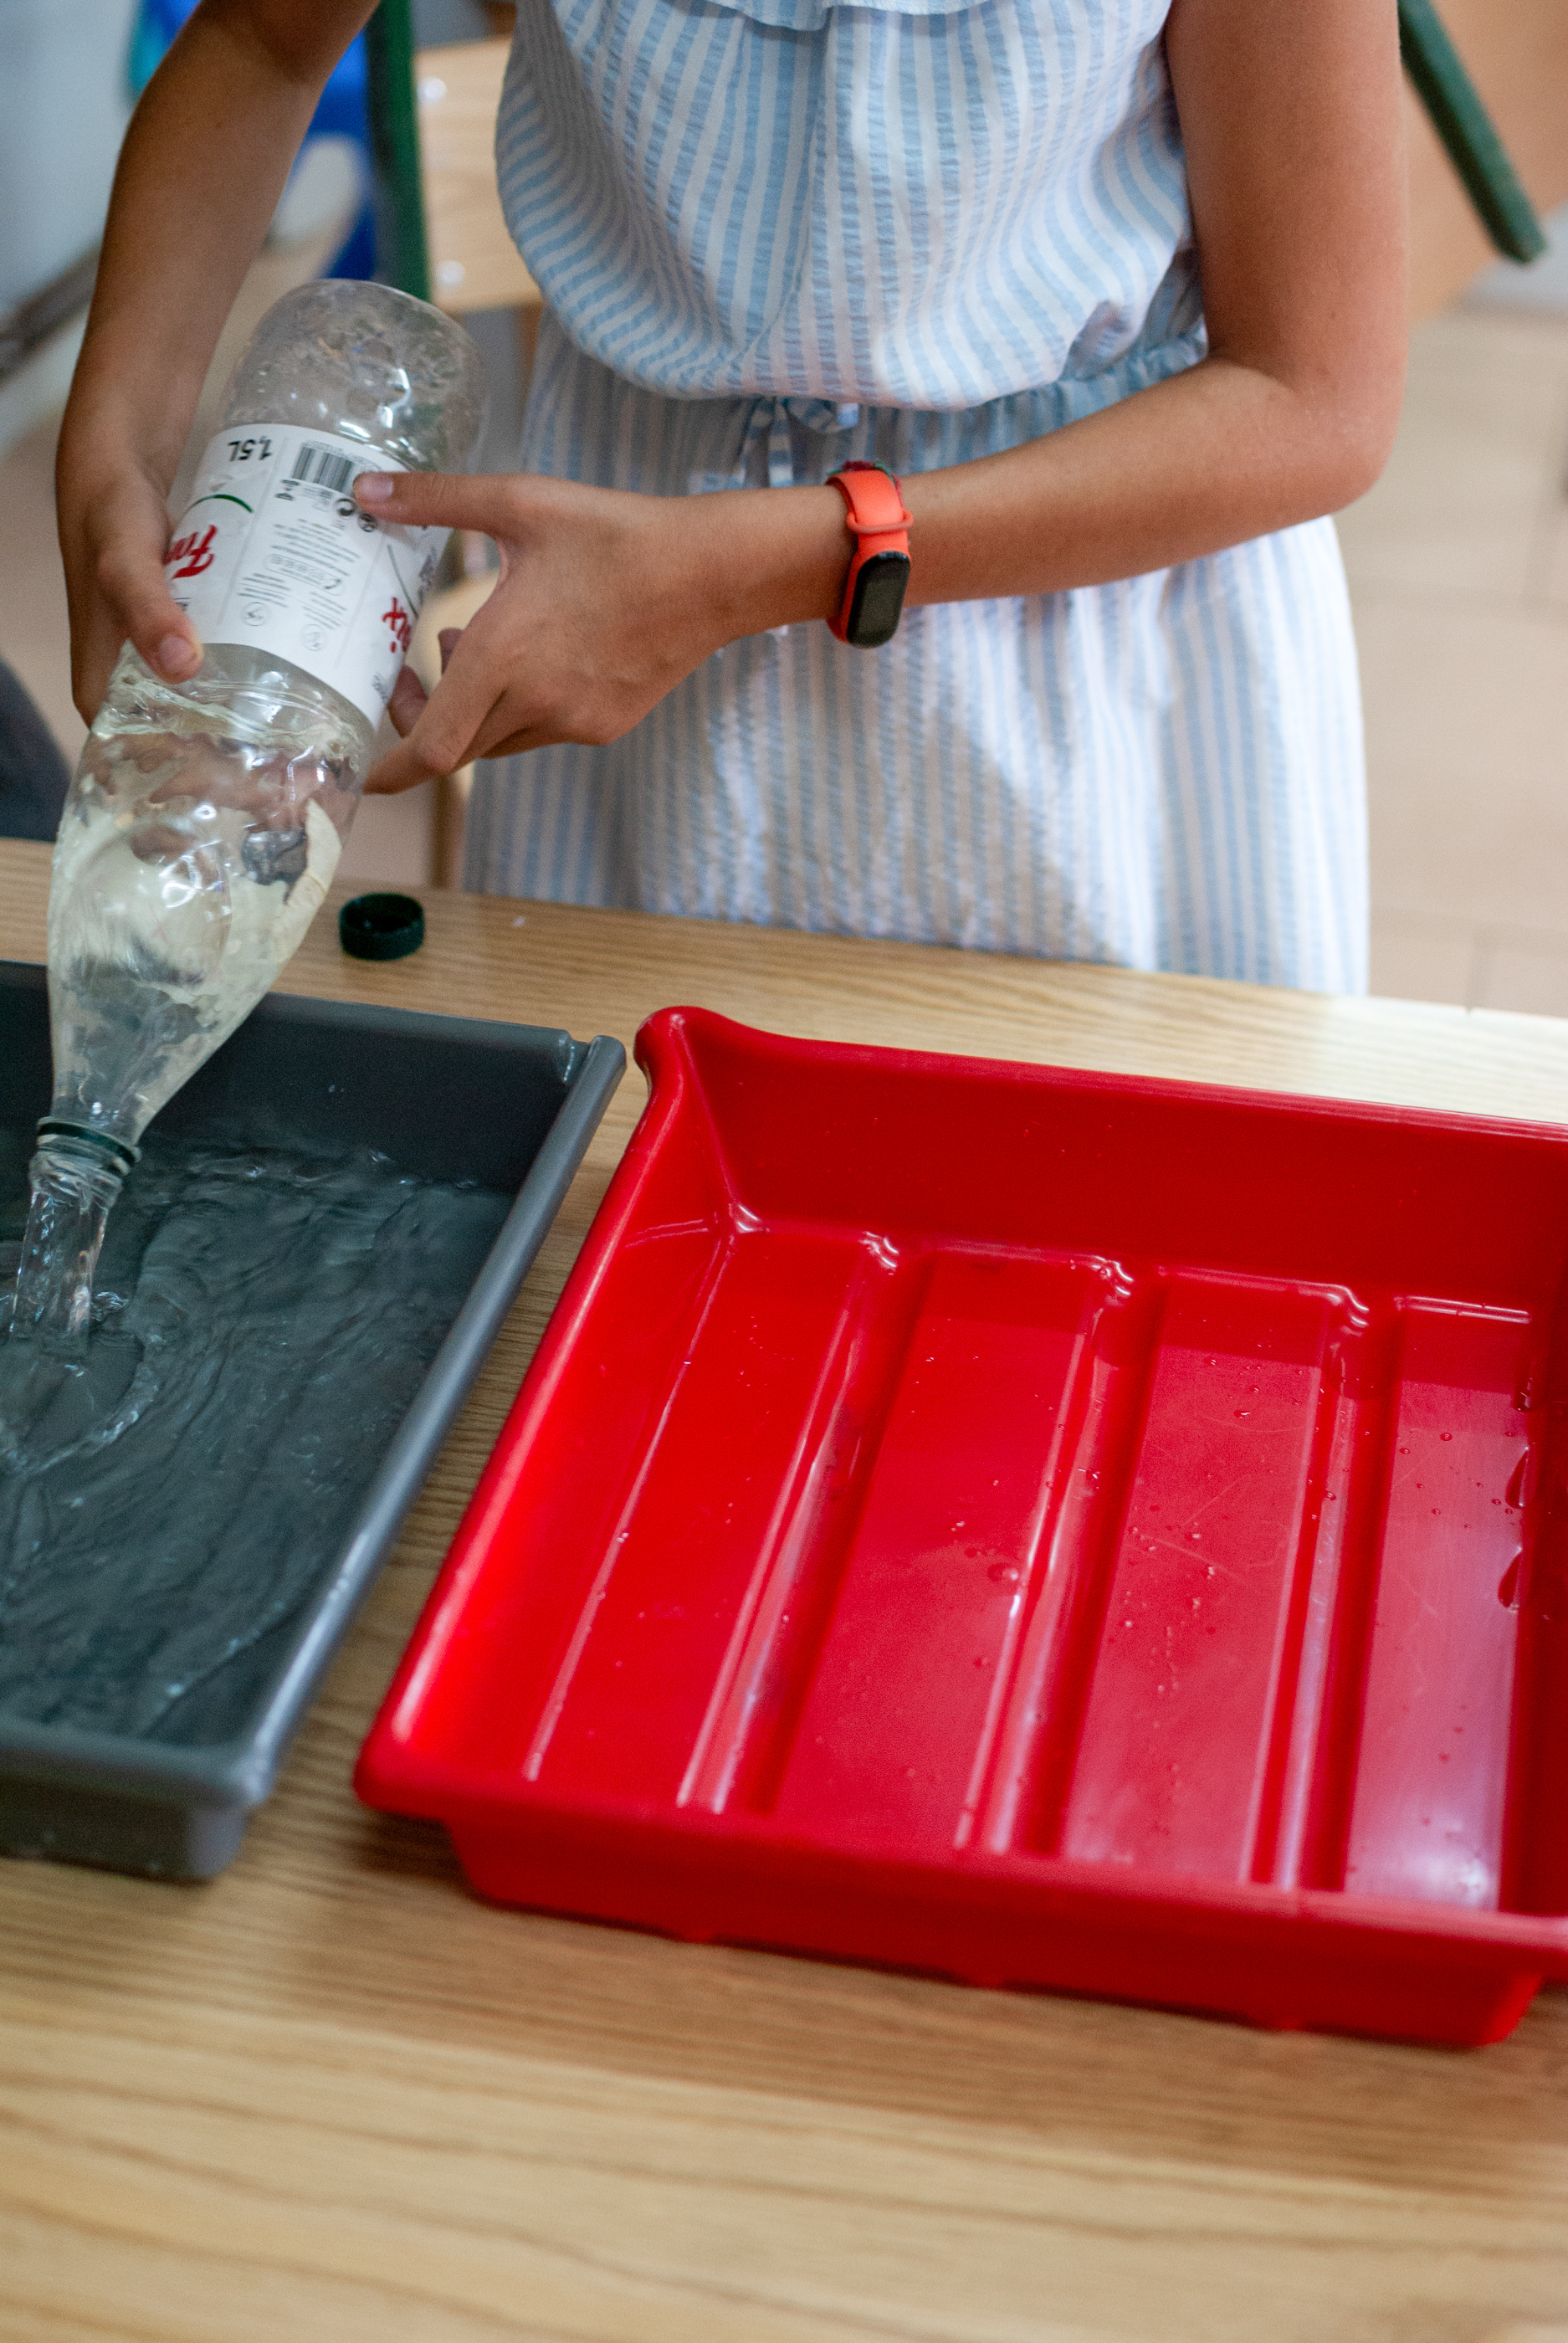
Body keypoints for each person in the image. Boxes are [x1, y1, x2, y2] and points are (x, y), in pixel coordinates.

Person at [57, 0, 1406, 988]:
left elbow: (1314, 395)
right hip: (625, 603)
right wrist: (113, 440)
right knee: (624, 1250)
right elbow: (257, 41)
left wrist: (758, 567)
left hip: (1077, 616)